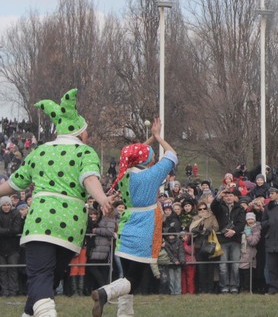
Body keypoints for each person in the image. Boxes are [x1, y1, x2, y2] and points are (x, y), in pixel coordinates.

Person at [0, 89, 112, 317]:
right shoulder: (85, 152)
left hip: (41, 222)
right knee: (46, 282)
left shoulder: (39, 152)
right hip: (71, 228)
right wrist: (101, 198)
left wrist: (101, 197)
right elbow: (89, 179)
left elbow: (13, 183)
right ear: (80, 133)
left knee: (40, 278)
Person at [91, 118, 178, 316]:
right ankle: (105, 293)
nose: (155, 160)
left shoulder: (124, 175)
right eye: (152, 157)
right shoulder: (151, 175)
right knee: (133, 280)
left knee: (126, 275)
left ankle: (124, 314)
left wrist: (148, 140)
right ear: (146, 161)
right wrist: (157, 137)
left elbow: (128, 155)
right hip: (144, 227)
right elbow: (173, 155)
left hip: (126, 226)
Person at [0, 195, 23, 297]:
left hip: (13, 248)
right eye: (4, 205)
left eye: (8, 204)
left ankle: (13, 291)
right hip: (1, 248)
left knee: (13, 270)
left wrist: (5, 232)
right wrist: (9, 231)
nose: (6, 207)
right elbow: (12, 230)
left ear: (11, 205)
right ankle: (4, 291)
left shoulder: (16, 213)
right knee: (3, 271)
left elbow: (16, 229)